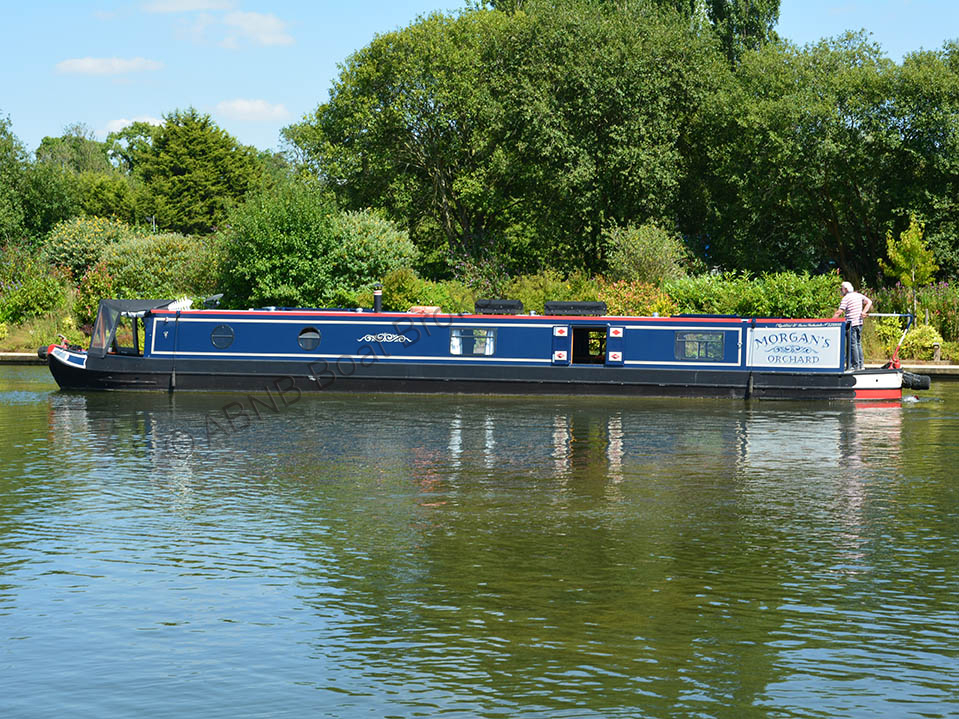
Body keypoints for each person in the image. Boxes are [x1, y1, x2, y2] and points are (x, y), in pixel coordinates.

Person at [833, 281, 873, 371]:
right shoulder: (858, 295)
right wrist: (864, 311)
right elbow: (869, 302)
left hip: (852, 324)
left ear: (846, 289)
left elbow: (839, 311)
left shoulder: (846, 298)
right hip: (859, 323)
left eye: (842, 289)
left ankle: (855, 366)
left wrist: (831, 321)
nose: (841, 291)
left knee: (852, 344)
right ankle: (860, 364)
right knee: (858, 343)